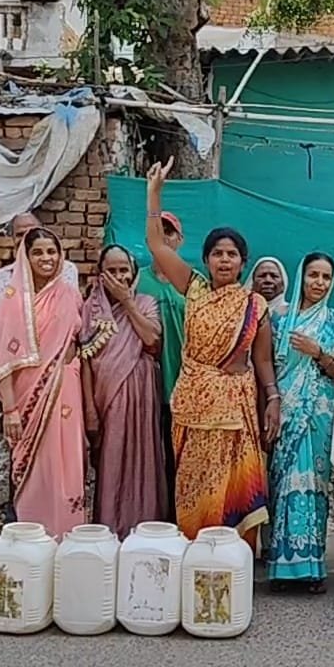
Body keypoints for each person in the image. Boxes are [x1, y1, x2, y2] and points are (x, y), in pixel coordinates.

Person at [145, 158, 279, 542]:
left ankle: (232, 560)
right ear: (205, 260)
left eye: (232, 254)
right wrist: (154, 194)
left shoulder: (255, 305)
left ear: (242, 263)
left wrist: (272, 398)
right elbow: (156, 243)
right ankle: (194, 554)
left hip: (237, 409)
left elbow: (263, 359)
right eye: (217, 253)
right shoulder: (195, 288)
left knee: (236, 484)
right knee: (194, 484)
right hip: (193, 406)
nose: (224, 259)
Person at [0, 228, 87, 539]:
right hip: (26, 398)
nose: (47, 258)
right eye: (38, 253)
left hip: (66, 392)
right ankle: (32, 537)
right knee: (35, 468)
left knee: (67, 464)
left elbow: (76, 343)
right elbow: (5, 362)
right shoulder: (13, 300)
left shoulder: (70, 294)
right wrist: (10, 410)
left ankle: (68, 536)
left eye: (52, 252)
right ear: (26, 257)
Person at [267, 252, 334, 594]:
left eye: (326, 277)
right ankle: (281, 567)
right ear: (302, 276)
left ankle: (311, 568)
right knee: (283, 482)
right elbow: (266, 365)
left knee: (314, 485)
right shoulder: (278, 319)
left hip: (317, 412)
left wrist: (319, 352)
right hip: (284, 408)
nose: (319, 283)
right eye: (314, 275)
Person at [80, 244, 166, 536]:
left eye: (123, 270)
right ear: (101, 275)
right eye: (112, 271)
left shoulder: (145, 302)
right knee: (110, 462)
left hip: (139, 393)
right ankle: (109, 529)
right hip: (105, 397)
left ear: (133, 274)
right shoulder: (90, 309)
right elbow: (86, 363)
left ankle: (143, 529)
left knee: (142, 461)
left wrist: (127, 303)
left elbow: (152, 340)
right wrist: (90, 409)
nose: (118, 277)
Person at [135, 210, 187, 520]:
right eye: (158, 231)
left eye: (170, 232)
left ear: (179, 240)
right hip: (148, 384)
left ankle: (182, 522)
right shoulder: (137, 279)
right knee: (152, 458)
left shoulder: (191, 283)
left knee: (182, 458)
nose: (164, 237)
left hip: (185, 384)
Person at [0, 212, 79, 322]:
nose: (26, 238)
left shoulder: (66, 270)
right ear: (12, 239)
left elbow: (69, 311)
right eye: (20, 234)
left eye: (32, 232)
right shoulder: (4, 276)